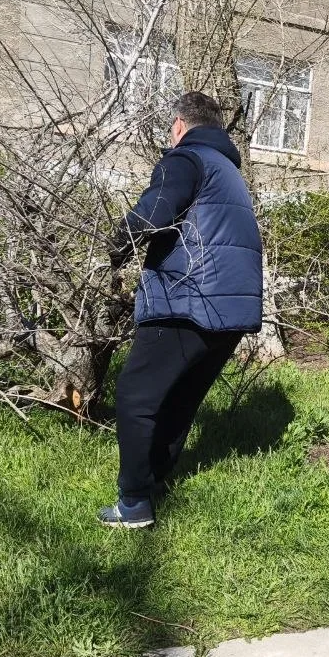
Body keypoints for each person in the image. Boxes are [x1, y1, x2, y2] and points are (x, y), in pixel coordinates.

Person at [98, 92, 264, 528]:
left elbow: (152, 214)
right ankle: (154, 482)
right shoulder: (228, 171)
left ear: (178, 125)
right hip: (231, 309)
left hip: (187, 298)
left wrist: (114, 249)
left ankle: (134, 502)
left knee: (136, 396)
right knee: (178, 399)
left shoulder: (186, 159)